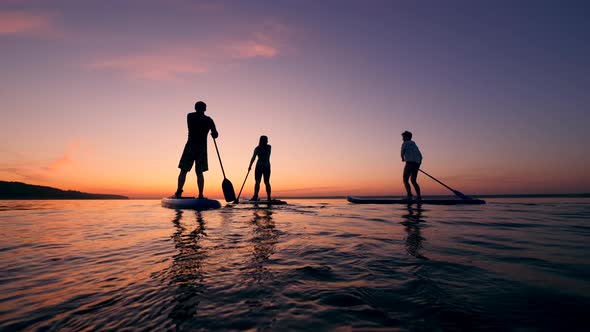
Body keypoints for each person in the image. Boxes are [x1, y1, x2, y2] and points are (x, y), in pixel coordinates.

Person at [174, 101, 218, 198]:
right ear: (205, 109)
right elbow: (216, 134)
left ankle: (178, 192)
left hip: (190, 147)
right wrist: (213, 133)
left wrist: (213, 132)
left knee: (184, 170)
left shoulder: (190, 116)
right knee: (199, 172)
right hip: (201, 149)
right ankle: (201, 195)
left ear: (195, 108)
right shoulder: (208, 120)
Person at [248, 135, 272, 201]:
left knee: (265, 182)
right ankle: (256, 196)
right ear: (263, 141)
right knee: (259, 182)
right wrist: (250, 165)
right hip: (262, 166)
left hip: (263, 166)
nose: (267, 141)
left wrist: (250, 165)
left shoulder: (264, 148)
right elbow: (253, 158)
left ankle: (268, 197)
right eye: (266, 140)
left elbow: (253, 158)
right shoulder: (267, 147)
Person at [401, 131, 422, 200]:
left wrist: (402, 158)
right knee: (413, 180)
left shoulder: (405, 143)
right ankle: (419, 196)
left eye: (403, 137)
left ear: (407, 137)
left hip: (409, 163)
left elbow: (402, 152)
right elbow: (421, 156)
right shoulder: (415, 145)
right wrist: (418, 165)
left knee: (405, 179)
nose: (402, 139)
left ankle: (409, 196)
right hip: (416, 164)